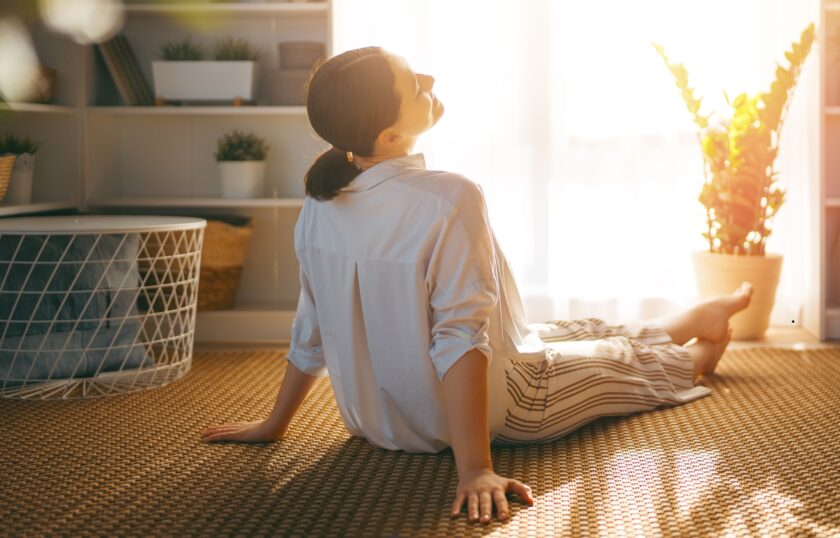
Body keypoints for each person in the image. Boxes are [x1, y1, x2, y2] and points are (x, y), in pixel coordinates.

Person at [200, 46, 754, 525]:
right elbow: (460, 339)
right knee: (619, 364)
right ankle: (705, 350)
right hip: (509, 405)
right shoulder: (448, 198)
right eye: (414, 84)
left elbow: (311, 326)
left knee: (567, 330)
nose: (431, 82)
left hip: (378, 422)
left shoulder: (319, 206)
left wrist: (276, 424)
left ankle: (692, 319)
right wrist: (478, 469)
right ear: (389, 134)